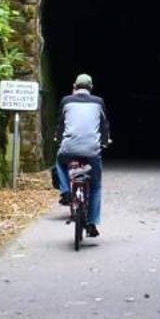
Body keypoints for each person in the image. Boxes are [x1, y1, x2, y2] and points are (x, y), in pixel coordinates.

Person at [55, 73, 110, 237]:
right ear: (90, 88)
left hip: (69, 148)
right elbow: (104, 126)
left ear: (75, 87)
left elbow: (60, 124)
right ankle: (92, 222)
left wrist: (58, 140)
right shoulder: (98, 102)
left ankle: (65, 191)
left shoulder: (66, 101)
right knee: (96, 186)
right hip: (91, 150)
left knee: (59, 162)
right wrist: (105, 142)